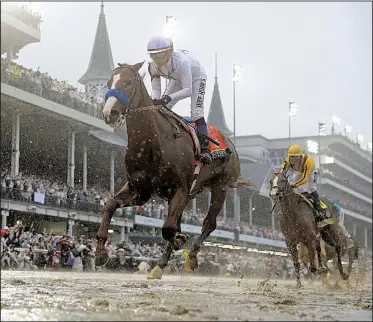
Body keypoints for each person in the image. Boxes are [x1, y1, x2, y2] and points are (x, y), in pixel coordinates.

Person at [147, 35, 212, 165]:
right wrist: (155, 100)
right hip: (177, 79)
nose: (157, 60)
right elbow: (156, 89)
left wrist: (168, 98)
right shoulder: (153, 66)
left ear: (169, 52)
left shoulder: (182, 62)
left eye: (160, 55)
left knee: (196, 113)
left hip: (196, 78)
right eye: (153, 56)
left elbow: (188, 90)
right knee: (162, 110)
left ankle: (205, 150)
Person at [280, 144, 333, 226]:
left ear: (301, 156)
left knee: (312, 189)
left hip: (311, 173)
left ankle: (319, 211)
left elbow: (305, 178)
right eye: (292, 157)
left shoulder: (309, 161)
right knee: (292, 185)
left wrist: (296, 185)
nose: (293, 160)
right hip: (299, 172)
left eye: (296, 157)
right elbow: (281, 173)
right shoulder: (288, 160)